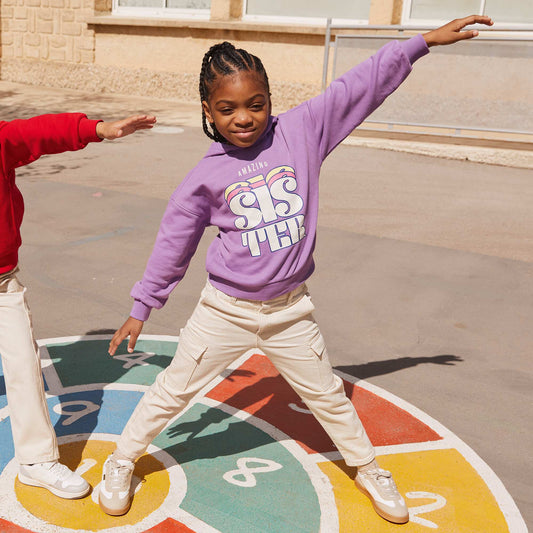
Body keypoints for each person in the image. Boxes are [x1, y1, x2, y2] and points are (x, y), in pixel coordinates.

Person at [99, 15, 493, 523]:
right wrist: (142, 306)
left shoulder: (302, 131)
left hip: (290, 312)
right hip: (225, 310)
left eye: (255, 104)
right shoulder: (204, 176)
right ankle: (122, 460)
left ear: (270, 99)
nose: (244, 117)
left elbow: (359, 87)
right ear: (208, 111)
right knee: (172, 389)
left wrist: (419, 44)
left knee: (329, 397)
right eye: (228, 108)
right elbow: (174, 243)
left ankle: (370, 468)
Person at [0, 111, 156, 499]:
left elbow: (37, 132)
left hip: (1, 280)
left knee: (23, 366)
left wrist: (97, 129)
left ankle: (36, 461)